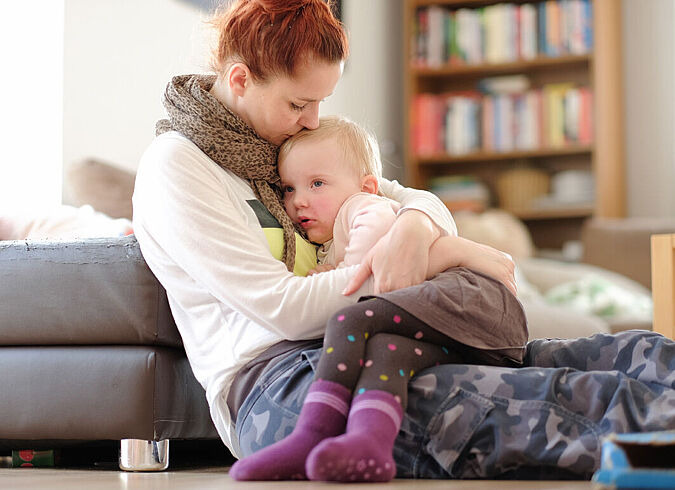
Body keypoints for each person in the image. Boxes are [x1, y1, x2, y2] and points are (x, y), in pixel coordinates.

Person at [132, 0, 675, 482]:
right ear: (241, 79)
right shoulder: (180, 166)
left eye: (321, 102)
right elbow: (281, 309)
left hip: (392, 341)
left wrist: (416, 230)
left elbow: (415, 200)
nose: (312, 120)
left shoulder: (285, 147)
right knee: (565, 400)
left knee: (636, 352)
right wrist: (429, 258)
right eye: (299, 105)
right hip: (283, 381)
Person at [229, 115, 528, 482]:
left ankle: (313, 432)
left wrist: (348, 269)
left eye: (317, 184)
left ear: (368, 186)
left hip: (470, 298)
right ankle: (369, 443)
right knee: (386, 350)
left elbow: (375, 231)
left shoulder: (360, 206)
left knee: (349, 320)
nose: (298, 201)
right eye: (289, 189)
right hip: (466, 335)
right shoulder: (329, 233)